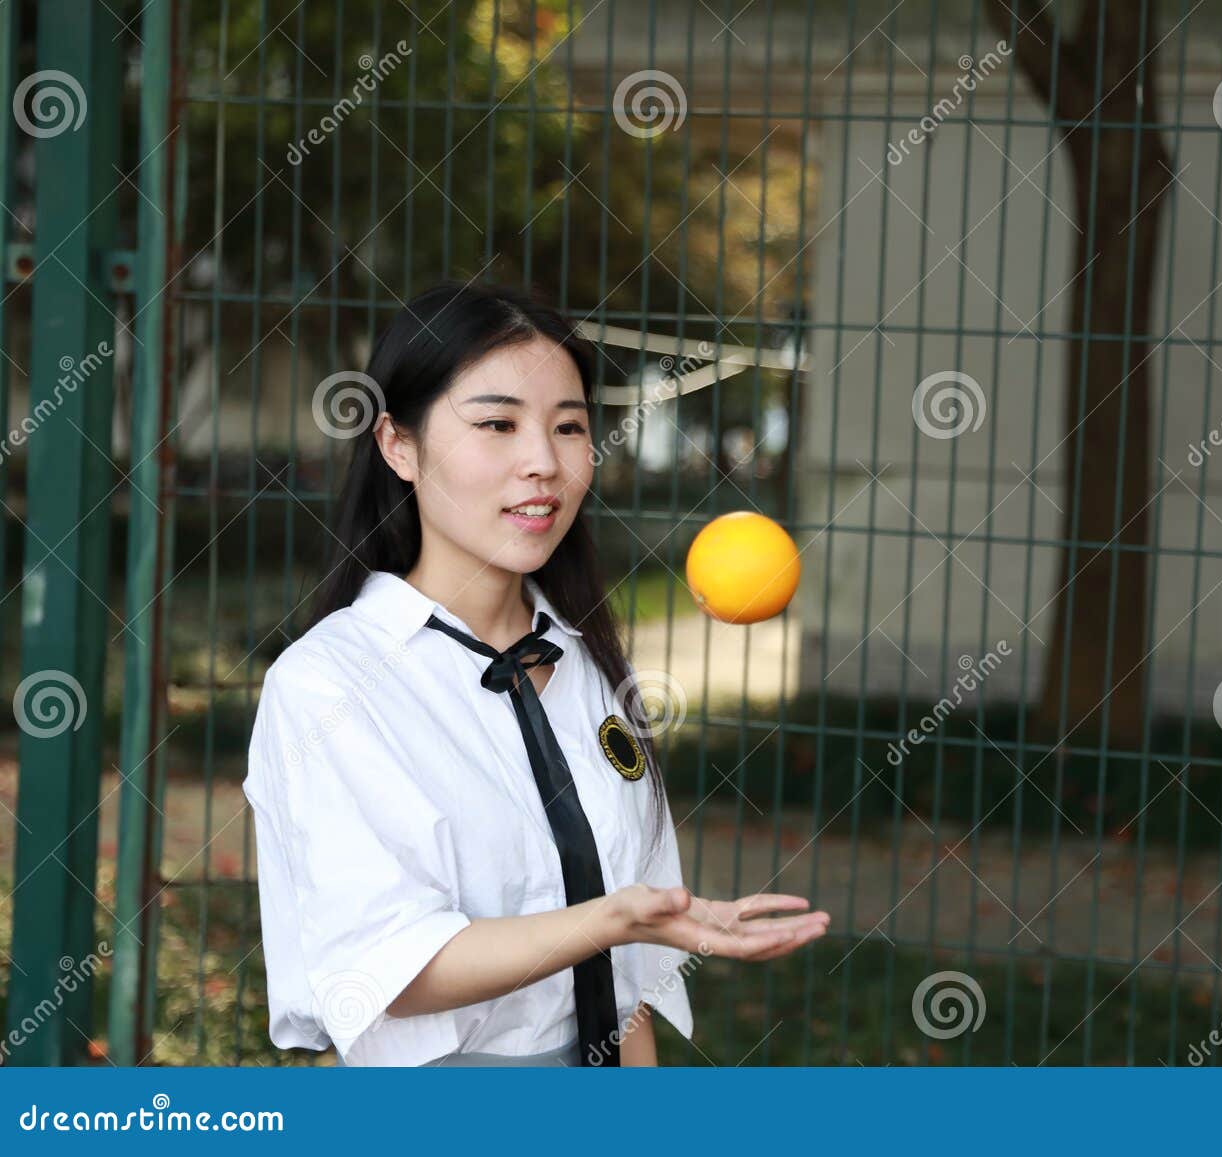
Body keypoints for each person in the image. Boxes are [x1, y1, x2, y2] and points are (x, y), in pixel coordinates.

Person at [242, 282, 829, 1068]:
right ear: (398, 444)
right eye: (497, 424)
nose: (544, 463)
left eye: (569, 427)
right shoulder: (328, 685)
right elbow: (389, 968)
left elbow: (627, 991)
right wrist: (611, 919)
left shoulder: (587, 660)